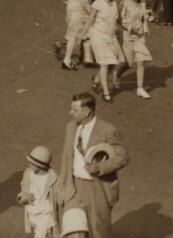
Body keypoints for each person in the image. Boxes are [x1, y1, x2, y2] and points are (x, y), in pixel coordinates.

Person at [56, 92, 129, 238]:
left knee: (98, 230)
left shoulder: (108, 130)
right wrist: (63, 183)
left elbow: (122, 157)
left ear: (86, 111)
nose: (70, 113)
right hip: (74, 186)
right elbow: (66, 157)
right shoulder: (70, 127)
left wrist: (99, 168)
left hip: (97, 188)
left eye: (75, 110)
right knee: (73, 229)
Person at [86, 0, 126, 100]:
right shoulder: (97, 4)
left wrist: (125, 26)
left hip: (111, 36)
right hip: (98, 35)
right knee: (104, 63)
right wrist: (83, 33)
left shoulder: (114, 2)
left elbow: (116, 18)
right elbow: (90, 20)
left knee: (111, 63)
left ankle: (96, 80)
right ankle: (106, 92)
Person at [60, 0, 96, 72]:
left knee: (85, 32)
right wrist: (93, 13)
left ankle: (86, 57)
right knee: (75, 35)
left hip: (73, 9)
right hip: (78, 11)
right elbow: (84, 1)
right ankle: (67, 60)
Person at [17, 146, 60, 238]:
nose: (29, 164)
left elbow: (59, 197)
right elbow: (23, 191)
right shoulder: (28, 174)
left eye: (32, 163)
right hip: (32, 214)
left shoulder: (53, 179)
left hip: (46, 216)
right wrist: (22, 199)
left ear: (40, 165)